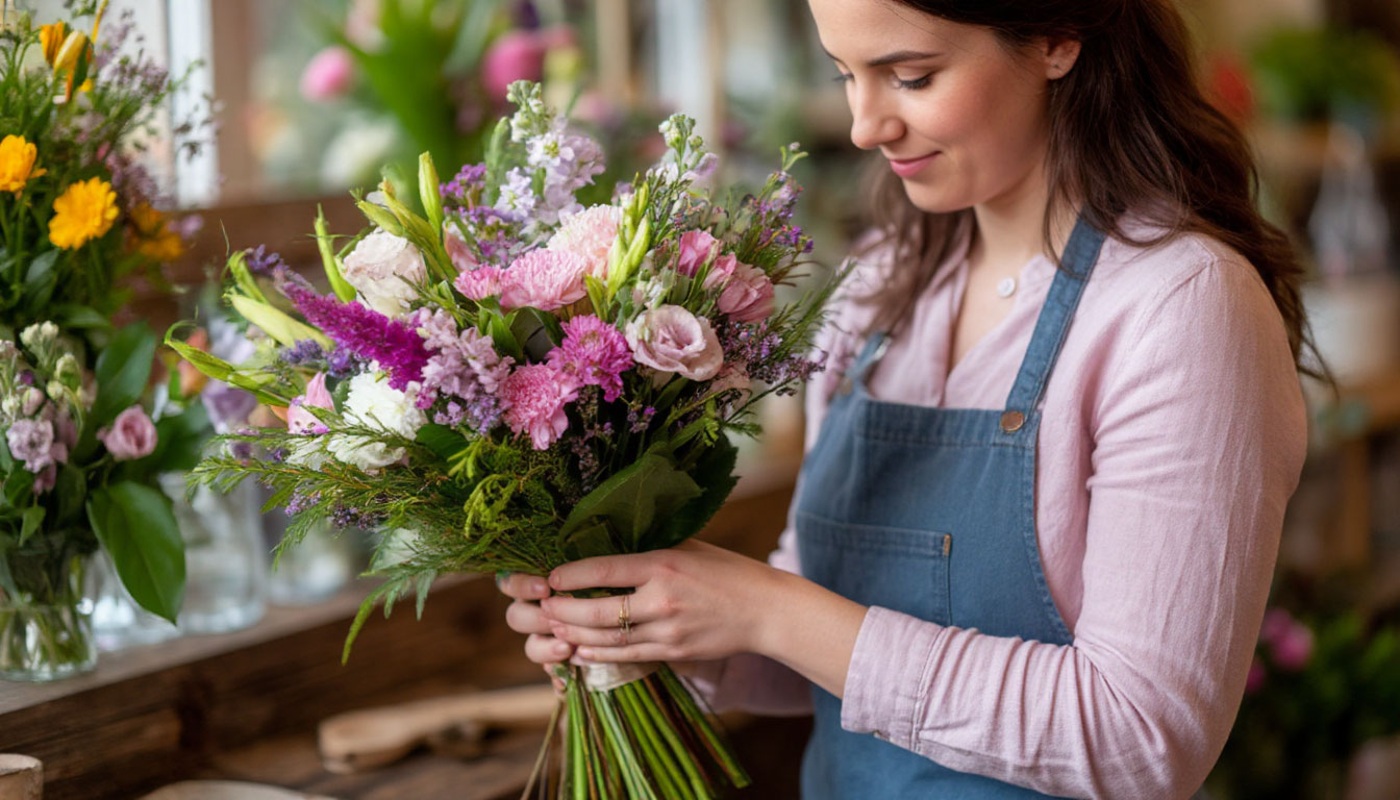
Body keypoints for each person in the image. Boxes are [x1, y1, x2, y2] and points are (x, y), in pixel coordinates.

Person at [500, 0, 1313, 797]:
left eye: (911, 76)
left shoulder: (1179, 307)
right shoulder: (878, 288)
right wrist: (658, 628)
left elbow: (1140, 740)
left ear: (1057, 38)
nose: (865, 126)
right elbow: (828, 648)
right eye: (844, 73)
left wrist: (767, 609)